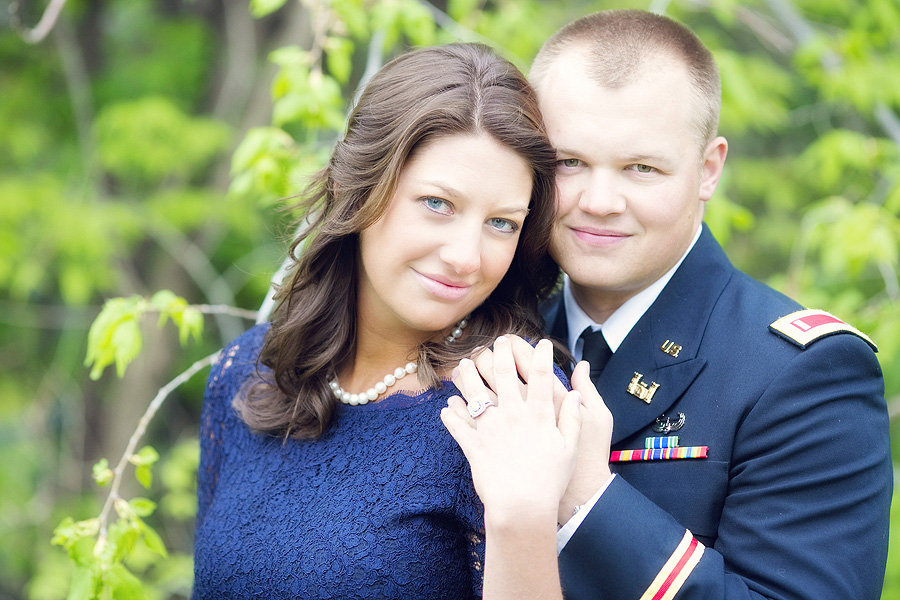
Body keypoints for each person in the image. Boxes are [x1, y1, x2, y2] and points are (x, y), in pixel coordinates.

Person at [447, 10, 892, 600]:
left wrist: (588, 496)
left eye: (641, 168)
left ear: (708, 170)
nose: (600, 201)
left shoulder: (802, 373)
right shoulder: (488, 329)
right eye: (569, 163)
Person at [192, 42, 584, 599]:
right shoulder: (246, 371)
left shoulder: (509, 404)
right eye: (438, 204)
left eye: (502, 223)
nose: (466, 257)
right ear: (361, 186)